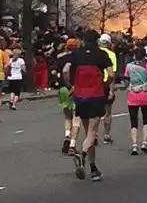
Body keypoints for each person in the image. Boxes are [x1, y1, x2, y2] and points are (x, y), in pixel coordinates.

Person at [63, 29, 114, 182]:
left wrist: (70, 85)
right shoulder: (101, 54)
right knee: (92, 133)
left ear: (84, 40)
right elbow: (111, 74)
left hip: (80, 95)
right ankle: (83, 154)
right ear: (97, 40)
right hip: (96, 95)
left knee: (87, 132)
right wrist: (105, 84)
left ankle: (93, 168)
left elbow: (66, 69)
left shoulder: (76, 54)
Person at [125, 46, 147, 155]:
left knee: (133, 121)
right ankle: (144, 142)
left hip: (132, 95)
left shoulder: (129, 66)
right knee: (146, 120)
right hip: (145, 95)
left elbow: (126, 80)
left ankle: (134, 145)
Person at [57, 38, 81, 154]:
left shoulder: (61, 57)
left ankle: (67, 134)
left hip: (62, 89)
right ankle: (72, 143)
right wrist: (70, 85)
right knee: (76, 117)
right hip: (75, 88)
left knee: (67, 116)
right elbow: (66, 70)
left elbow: (61, 70)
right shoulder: (78, 58)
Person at [98, 33, 117, 145]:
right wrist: (111, 90)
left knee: (94, 111)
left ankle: (93, 134)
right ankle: (106, 135)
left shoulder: (95, 53)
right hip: (106, 84)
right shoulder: (111, 54)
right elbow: (112, 74)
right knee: (108, 112)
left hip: (96, 84)